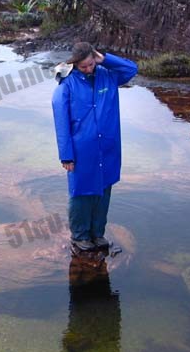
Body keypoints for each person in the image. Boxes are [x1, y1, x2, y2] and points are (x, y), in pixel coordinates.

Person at [52, 42, 137, 252]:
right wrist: (66, 156)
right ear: (75, 65)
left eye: (91, 64)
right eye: (83, 67)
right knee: (81, 193)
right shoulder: (67, 85)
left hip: (108, 147)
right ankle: (80, 236)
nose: (88, 69)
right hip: (82, 150)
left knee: (103, 190)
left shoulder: (108, 75)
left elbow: (131, 69)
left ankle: (97, 234)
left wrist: (105, 58)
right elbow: (61, 123)